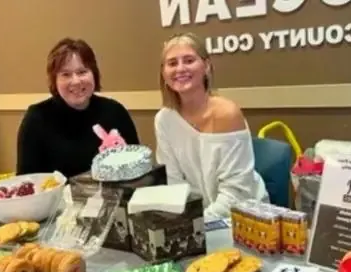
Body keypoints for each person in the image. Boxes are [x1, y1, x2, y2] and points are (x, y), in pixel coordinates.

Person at [154, 33, 268, 219]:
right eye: (172, 63)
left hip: (243, 216)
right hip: (196, 218)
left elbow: (236, 195)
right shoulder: (164, 119)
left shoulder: (228, 114)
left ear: (206, 66)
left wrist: (197, 227)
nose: (180, 68)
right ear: (164, 73)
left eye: (189, 60)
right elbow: (173, 182)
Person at [16, 38, 140, 178]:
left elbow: (137, 169)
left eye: (82, 72)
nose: (75, 81)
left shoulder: (115, 111)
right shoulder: (37, 118)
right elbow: (26, 181)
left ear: (94, 74)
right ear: (54, 80)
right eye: (66, 74)